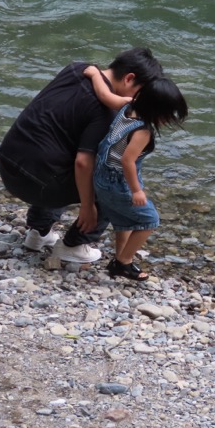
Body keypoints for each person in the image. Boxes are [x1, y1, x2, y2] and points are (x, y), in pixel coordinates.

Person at [0, 48, 163, 263]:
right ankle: (73, 245)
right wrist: (88, 207)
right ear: (130, 78)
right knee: (111, 183)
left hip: (8, 163)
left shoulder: (76, 69)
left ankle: (38, 233)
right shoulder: (107, 113)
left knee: (55, 152)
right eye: (140, 93)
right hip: (38, 184)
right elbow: (83, 163)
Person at [83, 65, 188, 280]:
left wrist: (94, 74)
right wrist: (136, 191)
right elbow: (128, 161)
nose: (168, 121)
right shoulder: (143, 131)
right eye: (167, 116)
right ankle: (123, 262)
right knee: (149, 220)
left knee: (125, 220)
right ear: (154, 109)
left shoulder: (128, 106)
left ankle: (120, 255)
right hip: (116, 180)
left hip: (101, 172)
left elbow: (106, 96)